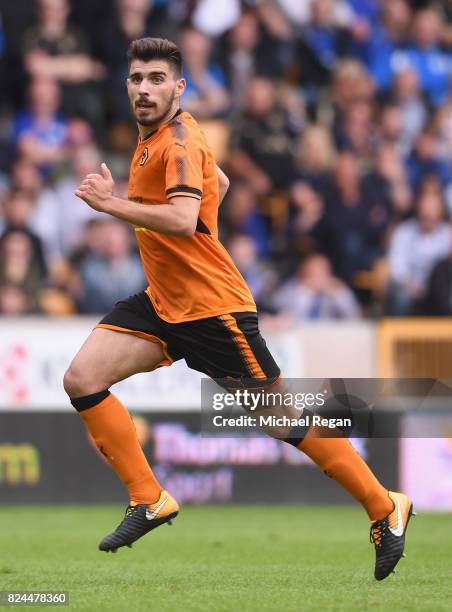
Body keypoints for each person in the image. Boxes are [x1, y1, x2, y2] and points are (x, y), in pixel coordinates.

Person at [63, 37, 414, 580]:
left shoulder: (177, 140)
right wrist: (189, 228)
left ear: (179, 87)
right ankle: (148, 497)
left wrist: (112, 205)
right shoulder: (161, 136)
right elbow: (218, 183)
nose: (144, 89)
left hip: (211, 308)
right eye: (136, 78)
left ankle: (384, 506)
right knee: (82, 377)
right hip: (164, 302)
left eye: (157, 79)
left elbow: (183, 218)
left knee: (281, 420)